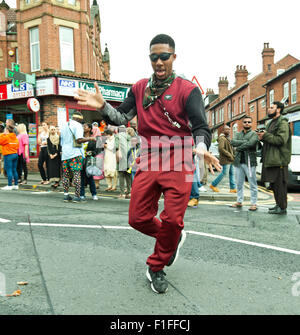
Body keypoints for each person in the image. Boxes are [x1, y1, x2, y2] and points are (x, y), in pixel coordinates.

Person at [75, 33, 220, 294]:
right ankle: (171, 240)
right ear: (150, 59)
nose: (159, 62)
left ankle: (156, 265)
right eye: (154, 57)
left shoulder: (188, 90)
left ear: (174, 57)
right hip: (149, 157)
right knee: (137, 218)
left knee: (173, 220)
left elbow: (200, 126)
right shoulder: (140, 87)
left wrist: (201, 149)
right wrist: (103, 107)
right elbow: (121, 118)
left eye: (164, 56)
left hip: (181, 159)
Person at [258, 101, 292, 215]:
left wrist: (265, 135)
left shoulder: (282, 123)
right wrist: (262, 137)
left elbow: (281, 140)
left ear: (278, 110)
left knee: (280, 185)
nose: (268, 109)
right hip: (271, 159)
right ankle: (278, 204)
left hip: (279, 160)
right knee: (274, 185)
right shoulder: (271, 122)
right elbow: (270, 139)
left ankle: (282, 208)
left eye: (271, 107)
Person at [60, 111, 95, 203]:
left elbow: (61, 141)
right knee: (76, 174)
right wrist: (90, 138)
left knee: (66, 175)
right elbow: (79, 140)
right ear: (79, 119)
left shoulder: (63, 125)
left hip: (65, 153)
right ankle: (77, 196)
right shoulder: (78, 125)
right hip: (75, 153)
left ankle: (66, 195)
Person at [230, 116, 259, 211]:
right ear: (242, 124)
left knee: (252, 183)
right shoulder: (238, 134)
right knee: (239, 183)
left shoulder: (254, 134)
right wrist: (245, 142)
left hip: (250, 162)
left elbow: (251, 143)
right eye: (245, 122)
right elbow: (233, 142)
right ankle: (239, 201)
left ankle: (254, 203)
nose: (247, 123)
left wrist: (239, 147)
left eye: (249, 122)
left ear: (251, 123)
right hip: (238, 162)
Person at [209, 125, 236, 193]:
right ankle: (213, 184)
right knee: (224, 173)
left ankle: (232, 188)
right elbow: (221, 148)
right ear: (223, 131)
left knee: (232, 173)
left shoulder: (227, 138)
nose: (228, 130)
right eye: (226, 129)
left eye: (229, 129)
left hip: (231, 159)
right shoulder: (222, 138)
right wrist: (229, 155)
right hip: (226, 159)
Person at [80, 123, 98, 201]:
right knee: (81, 178)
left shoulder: (93, 139)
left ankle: (94, 194)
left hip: (89, 161)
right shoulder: (80, 138)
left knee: (90, 178)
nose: (83, 128)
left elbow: (96, 151)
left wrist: (90, 153)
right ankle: (82, 194)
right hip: (80, 160)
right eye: (83, 126)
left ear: (90, 129)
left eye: (85, 126)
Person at [0, 124, 19, 190]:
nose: (4, 131)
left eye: (5, 130)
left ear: (7, 130)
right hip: (15, 154)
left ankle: (9, 185)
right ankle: (16, 185)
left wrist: (3, 134)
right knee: (14, 170)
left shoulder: (6, 137)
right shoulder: (15, 137)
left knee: (8, 170)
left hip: (8, 155)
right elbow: (17, 146)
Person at [116, 125, 132, 199]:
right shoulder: (129, 136)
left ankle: (122, 193)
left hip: (121, 156)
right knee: (128, 175)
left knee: (121, 175)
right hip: (129, 157)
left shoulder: (117, 136)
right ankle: (129, 193)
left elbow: (116, 147)